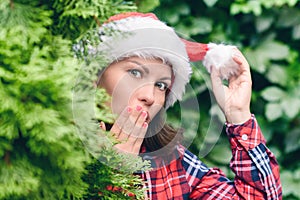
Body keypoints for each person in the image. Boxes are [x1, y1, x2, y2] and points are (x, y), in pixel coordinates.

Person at [87, 12, 282, 199]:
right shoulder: (63, 148)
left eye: (161, 85)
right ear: (96, 75)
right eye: (135, 73)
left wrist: (238, 114)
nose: (149, 96)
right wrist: (114, 176)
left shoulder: (170, 161)